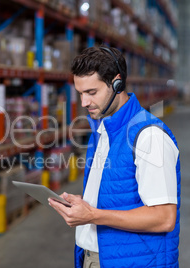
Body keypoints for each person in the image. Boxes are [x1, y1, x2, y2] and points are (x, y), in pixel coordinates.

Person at [48, 47, 181, 268]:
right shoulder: (103, 130)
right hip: (97, 257)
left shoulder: (148, 136)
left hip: (135, 260)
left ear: (117, 83)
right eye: (80, 93)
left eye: (92, 92)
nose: (84, 103)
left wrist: (92, 214)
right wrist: (85, 204)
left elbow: (164, 218)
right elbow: (116, 193)